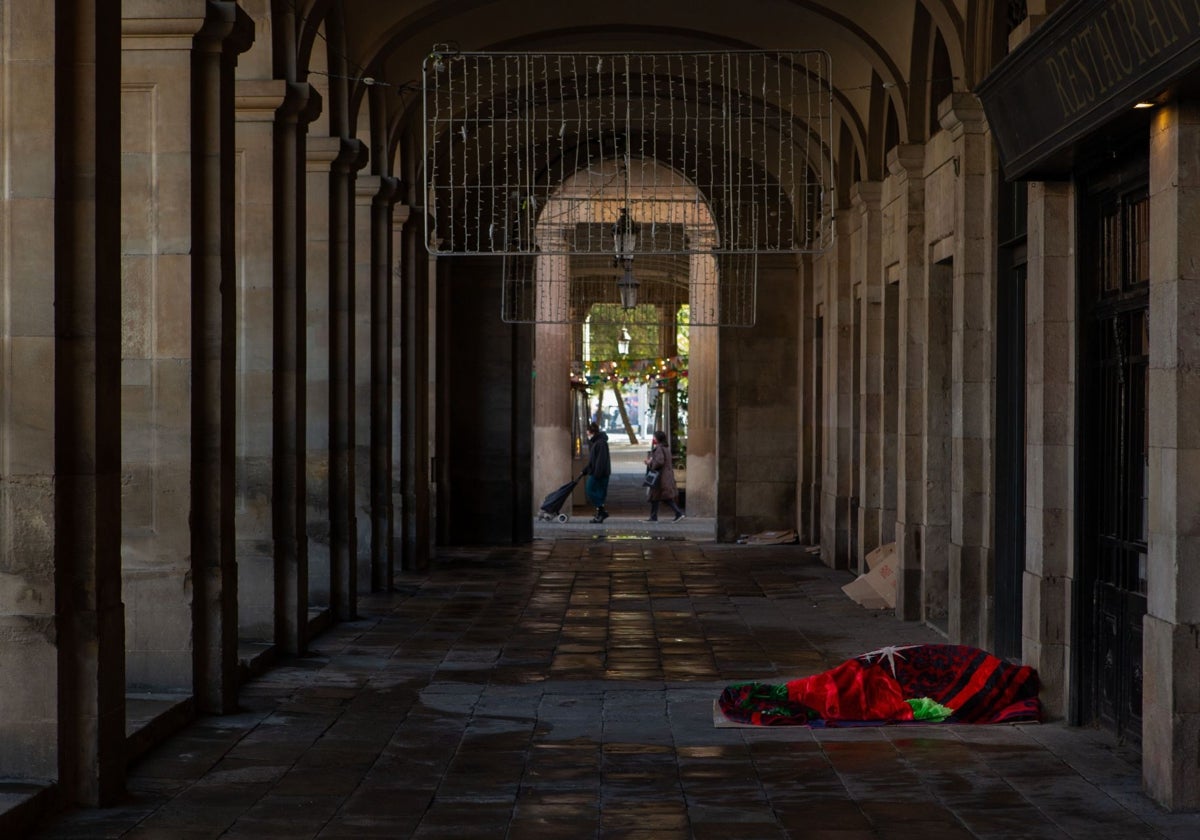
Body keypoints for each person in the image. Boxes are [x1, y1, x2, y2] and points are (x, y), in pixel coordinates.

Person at [644, 430, 685, 522]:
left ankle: (678, 513)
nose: (653, 439)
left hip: (660, 476)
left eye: (654, 437)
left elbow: (659, 461)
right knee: (655, 496)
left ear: (658, 439)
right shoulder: (665, 448)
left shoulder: (659, 448)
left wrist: (650, 463)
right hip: (663, 475)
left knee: (664, 497)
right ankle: (653, 516)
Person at [582, 421, 611, 523]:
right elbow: (594, 460)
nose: (587, 435)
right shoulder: (597, 442)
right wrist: (586, 469)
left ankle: (601, 512)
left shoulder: (600, 443)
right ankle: (600, 514)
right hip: (599, 473)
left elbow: (600, 461)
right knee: (598, 493)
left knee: (590, 490)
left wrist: (596, 473)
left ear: (591, 432)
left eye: (587, 433)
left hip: (599, 474)